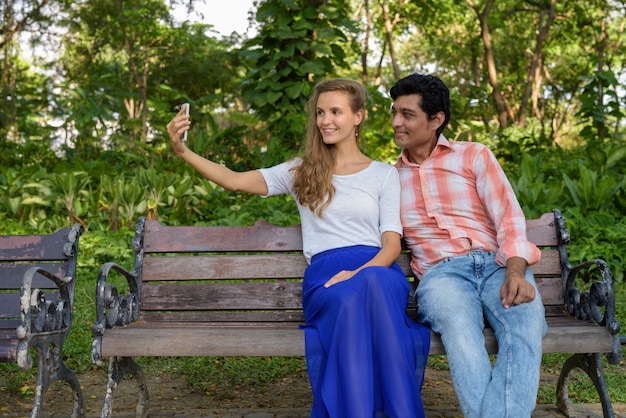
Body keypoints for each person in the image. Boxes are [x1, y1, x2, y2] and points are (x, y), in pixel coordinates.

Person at [166, 78, 430, 418]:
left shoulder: (383, 174)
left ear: (358, 117)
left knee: (371, 284)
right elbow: (232, 178)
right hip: (326, 279)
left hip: (377, 268)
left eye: (336, 111)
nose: (326, 120)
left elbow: (391, 246)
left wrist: (359, 272)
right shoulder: (300, 171)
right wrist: (182, 150)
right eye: (320, 112)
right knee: (350, 297)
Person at [389, 73, 547, 418]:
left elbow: (508, 215)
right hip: (441, 276)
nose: (396, 123)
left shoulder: (474, 155)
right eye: (394, 112)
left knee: (525, 323)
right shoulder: (387, 179)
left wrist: (516, 270)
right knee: (461, 332)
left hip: (498, 265)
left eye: (407, 114)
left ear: (436, 120)